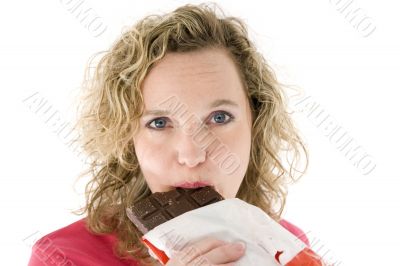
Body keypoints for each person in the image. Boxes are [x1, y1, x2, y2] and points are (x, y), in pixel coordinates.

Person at [28, 3, 311, 265]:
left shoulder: (286, 246)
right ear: (127, 136)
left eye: (219, 118)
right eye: (160, 123)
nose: (191, 155)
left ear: (256, 123)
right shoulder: (62, 256)